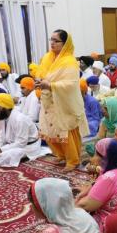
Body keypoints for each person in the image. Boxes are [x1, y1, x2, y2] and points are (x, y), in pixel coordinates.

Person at [36, 29, 89, 171]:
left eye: (56, 40)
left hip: (65, 102)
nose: (52, 43)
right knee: (52, 129)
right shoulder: (48, 57)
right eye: (51, 40)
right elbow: (42, 74)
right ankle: (61, 154)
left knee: (66, 130)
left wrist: (51, 85)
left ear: (65, 44)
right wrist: (41, 82)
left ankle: (72, 161)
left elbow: (71, 84)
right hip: (49, 100)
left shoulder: (70, 61)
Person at [75, 139, 117, 232]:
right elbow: (96, 182)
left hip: (107, 224)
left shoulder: (109, 178)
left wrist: (68, 208)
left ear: (105, 157)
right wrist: (85, 191)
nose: (93, 158)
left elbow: (85, 205)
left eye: (96, 154)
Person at [0, 93, 48, 167]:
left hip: (28, 147)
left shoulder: (20, 119)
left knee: (6, 155)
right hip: (12, 144)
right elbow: (1, 137)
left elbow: (20, 143)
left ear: (6, 106)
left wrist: (0, 150)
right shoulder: (4, 116)